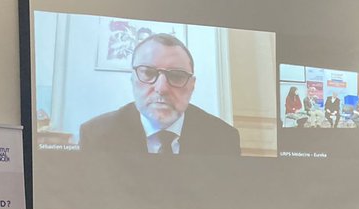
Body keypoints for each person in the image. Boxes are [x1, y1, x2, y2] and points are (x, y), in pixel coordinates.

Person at [79, 33, 240, 155]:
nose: (161, 88)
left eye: (177, 76)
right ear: (132, 79)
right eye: (148, 73)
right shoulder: (96, 136)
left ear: (192, 85)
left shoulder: (223, 138)